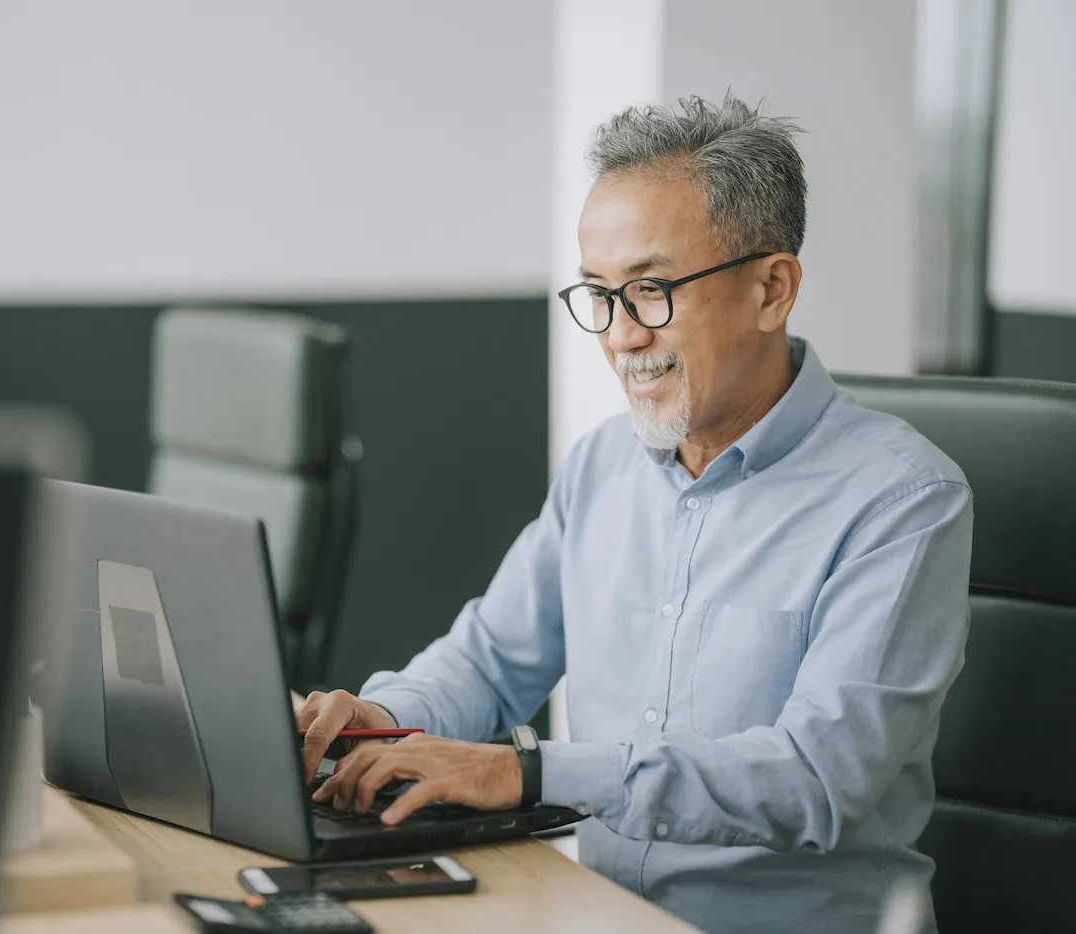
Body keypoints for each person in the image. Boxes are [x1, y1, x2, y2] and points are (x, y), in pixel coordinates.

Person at [296, 93, 972, 934]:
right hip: (595, 916)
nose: (619, 336)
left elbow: (815, 779)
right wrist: (381, 722)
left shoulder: (903, 499)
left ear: (772, 288)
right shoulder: (603, 465)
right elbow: (488, 661)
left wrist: (530, 773)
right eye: (597, 295)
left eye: (650, 291)